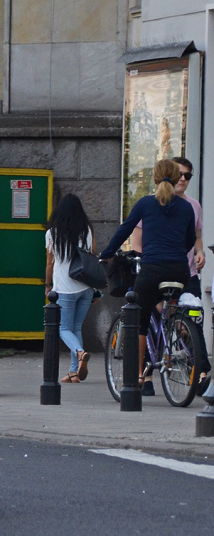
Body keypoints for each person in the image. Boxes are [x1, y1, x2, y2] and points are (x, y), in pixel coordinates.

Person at [100, 158, 197, 389]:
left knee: (139, 320)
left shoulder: (145, 203)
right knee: (171, 306)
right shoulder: (186, 207)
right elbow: (191, 239)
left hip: (152, 269)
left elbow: (125, 230)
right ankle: (177, 330)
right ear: (176, 179)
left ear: (154, 179)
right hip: (180, 270)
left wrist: (106, 253)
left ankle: (137, 376)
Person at [129, 156, 209, 391]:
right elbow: (137, 238)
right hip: (170, 269)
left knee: (187, 322)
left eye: (188, 176)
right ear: (172, 177)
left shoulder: (192, 205)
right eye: (181, 175)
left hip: (186, 272)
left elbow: (196, 236)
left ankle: (199, 371)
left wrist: (200, 251)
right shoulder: (153, 203)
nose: (183, 179)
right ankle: (149, 375)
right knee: (157, 320)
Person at [46, 195, 95, 382]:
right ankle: (74, 371)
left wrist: (48, 285)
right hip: (86, 286)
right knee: (76, 327)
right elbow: (91, 257)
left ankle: (80, 353)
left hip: (65, 288)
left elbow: (50, 263)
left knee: (63, 328)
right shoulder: (87, 231)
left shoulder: (52, 233)